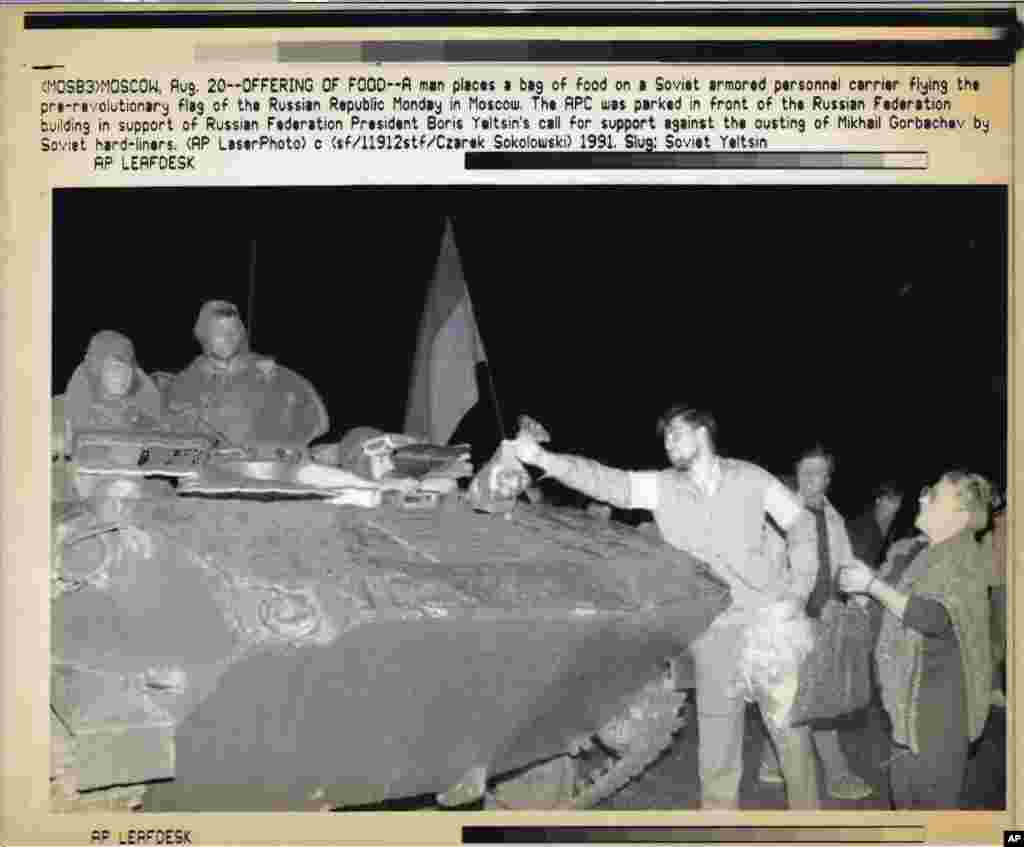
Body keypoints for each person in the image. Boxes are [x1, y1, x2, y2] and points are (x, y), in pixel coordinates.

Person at [507, 403, 822, 809]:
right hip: (714, 627)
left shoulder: (751, 479)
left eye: (676, 433)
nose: (668, 444)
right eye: (666, 437)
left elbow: (801, 524)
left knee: (790, 734)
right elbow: (609, 483)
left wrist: (798, 593)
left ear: (702, 431)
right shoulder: (662, 487)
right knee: (717, 743)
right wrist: (542, 458)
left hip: (769, 623)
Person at [838, 471, 994, 810]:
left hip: (939, 715)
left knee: (932, 817)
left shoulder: (965, 556)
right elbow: (891, 612)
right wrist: (864, 599)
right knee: (904, 807)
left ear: (961, 515)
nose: (922, 498)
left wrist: (872, 587)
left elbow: (933, 617)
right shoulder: (912, 550)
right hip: (903, 707)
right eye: (925, 491)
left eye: (934, 495)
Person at [758, 448, 874, 801]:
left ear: (828, 478)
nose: (811, 481)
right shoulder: (780, 515)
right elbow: (768, 570)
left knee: (800, 698)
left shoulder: (834, 518)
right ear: (796, 474)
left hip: (824, 618)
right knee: (812, 697)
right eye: (805, 473)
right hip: (790, 621)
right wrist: (803, 608)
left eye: (819, 474)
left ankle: (769, 763)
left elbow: (843, 563)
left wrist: (860, 601)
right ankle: (837, 774)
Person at [164, 301, 329, 451]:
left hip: (267, 469)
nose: (228, 337)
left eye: (233, 330)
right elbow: (175, 433)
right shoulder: (184, 384)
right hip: (211, 474)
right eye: (219, 331)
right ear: (203, 335)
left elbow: (314, 418)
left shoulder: (273, 375)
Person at [62, 330, 164, 446]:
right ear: (98, 369)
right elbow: (76, 441)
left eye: (127, 367)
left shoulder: (141, 381)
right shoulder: (81, 386)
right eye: (115, 368)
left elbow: (160, 424)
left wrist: (141, 419)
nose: (123, 375)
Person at [847, 483, 905, 570]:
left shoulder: (893, 531)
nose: (894, 506)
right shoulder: (862, 525)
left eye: (898, 502)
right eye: (890, 499)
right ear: (878, 500)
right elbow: (854, 560)